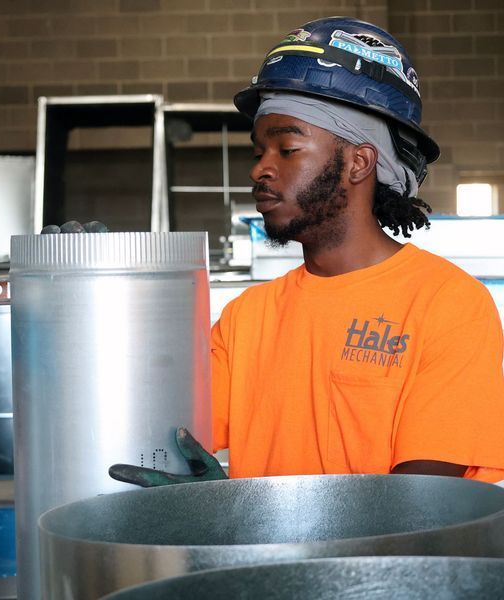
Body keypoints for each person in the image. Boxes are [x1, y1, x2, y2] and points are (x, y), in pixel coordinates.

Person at [110, 16, 504, 486]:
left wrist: (246, 518)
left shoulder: (447, 305)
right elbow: (156, 437)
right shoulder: (247, 318)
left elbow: (420, 504)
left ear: (358, 161)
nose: (260, 170)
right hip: (255, 561)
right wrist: (87, 292)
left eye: (287, 149)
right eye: (259, 152)